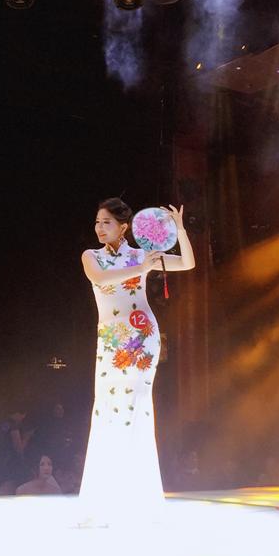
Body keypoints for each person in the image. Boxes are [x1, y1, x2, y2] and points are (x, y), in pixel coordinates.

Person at [79, 197, 195, 522]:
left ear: (123, 227)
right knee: (107, 409)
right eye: (97, 222)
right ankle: (104, 500)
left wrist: (181, 230)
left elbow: (187, 263)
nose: (100, 228)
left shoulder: (142, 254)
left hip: (142, 337)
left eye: (106, 222)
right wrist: (141, 269)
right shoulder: (92, 257)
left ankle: (140, 498)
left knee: (137, 408)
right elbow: (101, 280)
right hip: (111, 341)